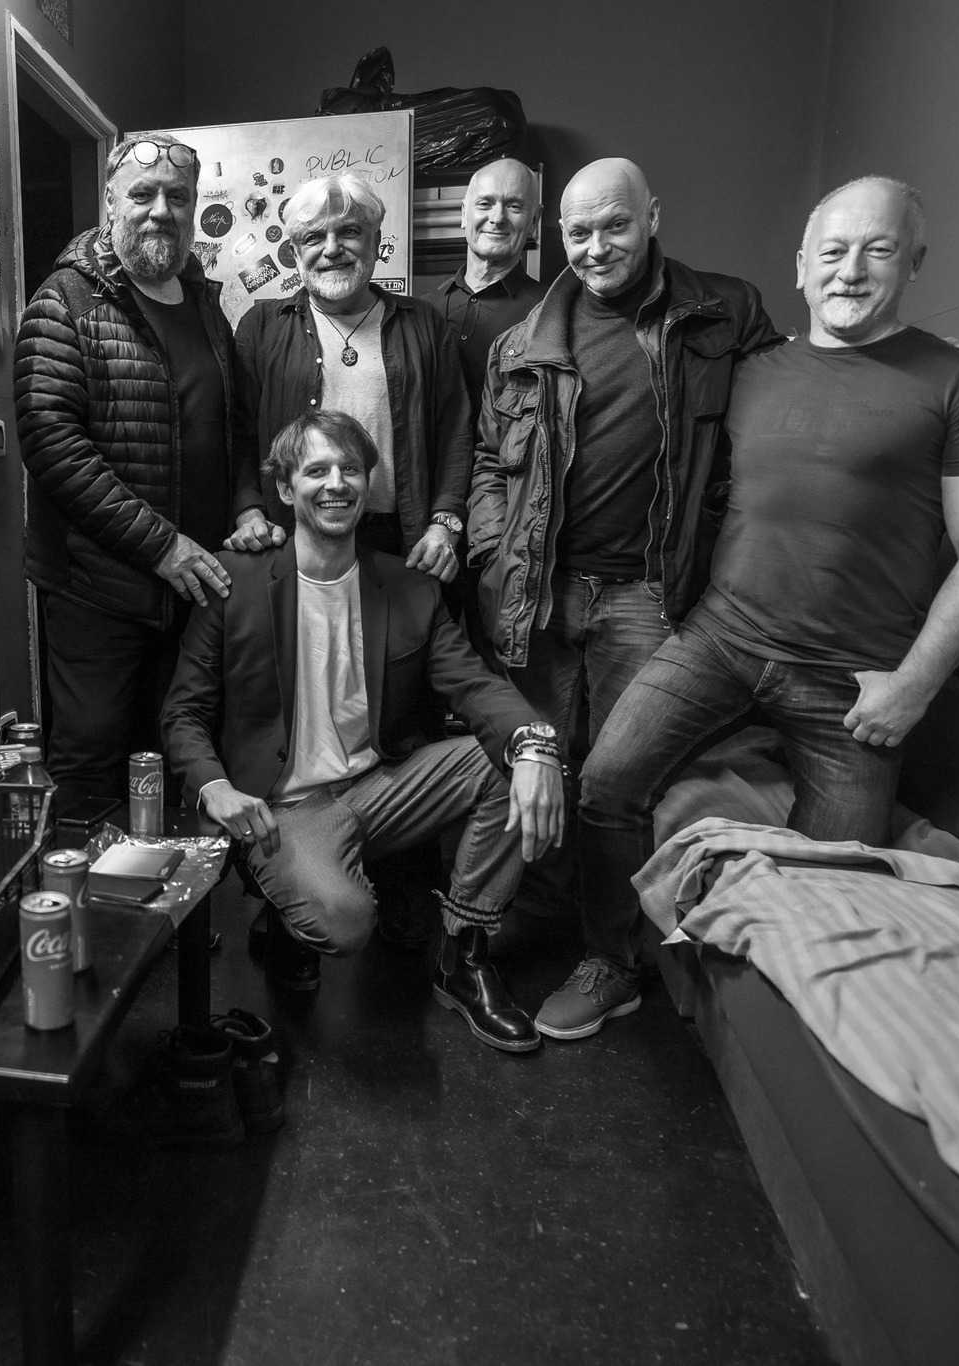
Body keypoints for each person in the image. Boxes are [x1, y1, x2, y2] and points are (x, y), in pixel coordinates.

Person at [569, 176, 959, 1038]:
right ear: (800, 267)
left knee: (832, 886)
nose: (850, 270)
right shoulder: (749, 371)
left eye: (877, 250)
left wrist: (914, 686)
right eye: (833, 251)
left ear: (914, 262)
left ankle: (776, 1019)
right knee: (604, 782)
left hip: (852, 681)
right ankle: (611, 962)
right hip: (721, 638)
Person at [464, 157, 778, 1035]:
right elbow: (489, 462)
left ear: (652, 218)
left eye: (615, 225)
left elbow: (791, 404)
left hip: (648, 593)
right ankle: (544, 915)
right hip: (540, 590)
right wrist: (491, 551)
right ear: (556, 234)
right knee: (540, 760)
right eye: (579, 231)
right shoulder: (521, 342)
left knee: (615, 781)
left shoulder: (722, 313)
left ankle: (611, 958)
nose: (596, 246)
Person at [162, 410, 565, 1053]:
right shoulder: (234, 581)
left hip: (382, 787)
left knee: (513, 757)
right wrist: (215, 788)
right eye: (316, 470)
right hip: (284, 808)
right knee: (345, 923)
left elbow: (473, 684)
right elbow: (183, 713)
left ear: (368, 484)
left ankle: (463, 953)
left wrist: (536, 745)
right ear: (286, 488)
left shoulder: (408, 587)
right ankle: (286, 907)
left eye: (350, 469)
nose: (336, 483)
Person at [13, 134, 255, 811]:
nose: (160, 211)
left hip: (193, 588)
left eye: (178, 197)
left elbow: (234, 426)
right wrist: (161, 546)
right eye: (142, 195)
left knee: (179, 752)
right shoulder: (65, 300)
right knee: (91, 756)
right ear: (110, 202)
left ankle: (170, 880)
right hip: (99, 587)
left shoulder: (205, 305)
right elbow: (53, 445)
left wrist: (246, 507)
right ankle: (82, 878)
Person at [227, 172, 473, 584]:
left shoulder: (424, 323)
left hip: (406, 541)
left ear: (376, 241)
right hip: (292, 536)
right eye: (313, 237)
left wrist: (444, 524)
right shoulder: (262, 326)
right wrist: (248, 509)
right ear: (295, 252)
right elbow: (238, 434)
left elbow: (456, 432)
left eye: (349, 232)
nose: (331, 249)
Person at [426, 157, 543, 403]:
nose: (497, 218)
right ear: (463, 214)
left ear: (534, 221)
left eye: (514, 206)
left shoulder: (548, 314)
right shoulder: (424, 310)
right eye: (485, 204)